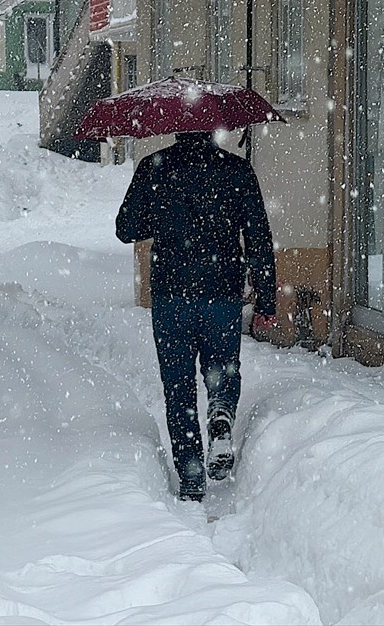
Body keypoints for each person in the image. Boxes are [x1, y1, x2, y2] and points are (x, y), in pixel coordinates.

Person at [115, 131, 276, 502]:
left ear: (174, 127)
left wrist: (161, 218)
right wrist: (265, 297)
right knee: (223, 364)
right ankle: (220, 411)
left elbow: (126, 229)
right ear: (212, 128)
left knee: (178, 384)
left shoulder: (153, 167)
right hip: (222, 290)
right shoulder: (236, 170)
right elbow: (258, 236)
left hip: (172, 294)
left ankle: (190, 474)